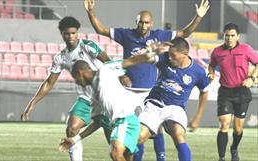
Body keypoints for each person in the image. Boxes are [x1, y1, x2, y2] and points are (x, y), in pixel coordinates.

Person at [83, 0, 210, 160]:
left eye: (147, 22)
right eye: (141, 22)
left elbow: (184, 34)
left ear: (152, 23)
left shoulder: (160, 36)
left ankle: (161, 158)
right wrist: (90, 11)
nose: (143, 25)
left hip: (150, 91)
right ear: (136, 22)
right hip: (129, 92)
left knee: (161, 131)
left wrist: (198, 18)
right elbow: (101, 30)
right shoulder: (126, 34)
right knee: (136, 135)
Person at [20, 16, 111, 161]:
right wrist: (32, 103)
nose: (71, 36)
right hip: (86, 99)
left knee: (115, 148)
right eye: (67, 33)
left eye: (73, 33)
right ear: (62, 34)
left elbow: (109, 63)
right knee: (71, 128)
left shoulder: (88, 46)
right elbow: (49, 83)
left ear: (78, 33)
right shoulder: (61, 58)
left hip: (106, 97)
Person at [69, 43, 167, 161]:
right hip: (121, 124)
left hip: (126, 120)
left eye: (75, 78)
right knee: (124, 156)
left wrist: (154, 53)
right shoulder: (94, 95)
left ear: (80, 73)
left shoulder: (106, 69)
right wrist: (75, 139)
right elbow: (98, 122)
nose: (77, 82)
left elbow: (132, 61)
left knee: (115, 153)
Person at [137, 37, 209, 161]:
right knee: (139, 137)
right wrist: (151, 51)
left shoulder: (198, 72)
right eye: (169, 54)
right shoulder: (164, 58)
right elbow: (145, 59)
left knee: (178, 135)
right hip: (155, 104)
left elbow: (204, 92)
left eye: (173, 55)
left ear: (185, 54)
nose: (170, 57)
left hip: (176, 108)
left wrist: (198, 117)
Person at [208, 23, 258, 161]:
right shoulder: (217, 51)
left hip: (242, 92)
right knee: (224, 124)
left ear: (238, 36)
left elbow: (257, 63)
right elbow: (211, 65)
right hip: (225, 92)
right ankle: (222, 158)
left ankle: (234, 148)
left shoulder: (246, 49)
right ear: (223, 36)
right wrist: (210, 74)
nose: (229, 38)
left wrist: (252, 78)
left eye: (232, 36)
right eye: (227, 35)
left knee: (238, 129)